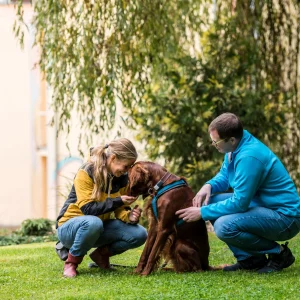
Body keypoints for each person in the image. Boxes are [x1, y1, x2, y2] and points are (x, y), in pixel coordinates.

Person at [176, 113, 300, 273]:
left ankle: (279, 254)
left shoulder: (250, 156)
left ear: (231, 139)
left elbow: (240, 203)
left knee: (223, 226)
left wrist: (202, 212)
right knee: (210, 200)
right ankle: (250, 259)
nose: (213, 144)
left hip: (285, 217)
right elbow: (225, 176)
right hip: (263, 205)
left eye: (216, 141)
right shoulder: (236, 146)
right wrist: (209, 185)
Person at [56, 138, 147, 278]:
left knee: (140, 234)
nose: (127, 171)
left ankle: (101, 255)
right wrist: (118, 200)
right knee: (93, 222)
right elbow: (88, 209)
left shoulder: (121, 178)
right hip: (70, 228)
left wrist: (129, 216)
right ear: (113, 158)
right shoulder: (86, 172)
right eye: (126, 166)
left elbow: (119, 209)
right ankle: (71, 263)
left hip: (97, 228)